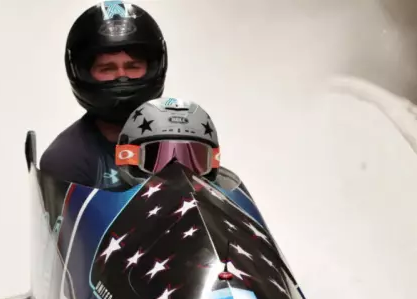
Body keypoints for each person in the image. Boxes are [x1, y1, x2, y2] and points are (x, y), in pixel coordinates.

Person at [39, 1, 168, 189]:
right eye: (107, 68)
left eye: (133, 67)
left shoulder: (184, 142)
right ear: (83, 73)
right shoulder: (66, 159)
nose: (122, 77)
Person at [114, 97, 270, 228]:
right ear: (127, 157)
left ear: (213, 162)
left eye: (194, 159)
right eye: (159, 157)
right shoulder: (111, 205)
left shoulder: (225, 211)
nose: (178, 172)